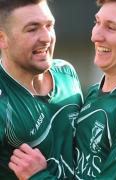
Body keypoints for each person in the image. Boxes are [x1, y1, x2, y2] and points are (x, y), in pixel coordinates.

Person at [9, 0, 116, 179]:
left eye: (111, 27)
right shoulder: (93, 94)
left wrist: (38, 176)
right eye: (97, 22)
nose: (95, 36)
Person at [0, 0, 83, 180]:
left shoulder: (66, 72)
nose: (46, 37)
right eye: (32, 29)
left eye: (49, 25)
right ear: (2, 39)